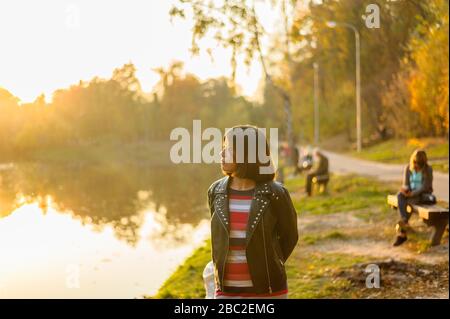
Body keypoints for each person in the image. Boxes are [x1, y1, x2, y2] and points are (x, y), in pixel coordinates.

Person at [207, 125, 298, 299]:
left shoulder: (276, 194)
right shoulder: (215, 191)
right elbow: (218, 240)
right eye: (223, 148)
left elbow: (289, 237)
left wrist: (270, 265)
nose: (221, 153)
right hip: (225, 292)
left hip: (269, 292)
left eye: (229, 149)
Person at [393, 149, 434, 247]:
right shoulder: (408, 168)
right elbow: (406, 184)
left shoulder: (428, 169)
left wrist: (412, 194)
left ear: (423, 162)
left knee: (409, 201)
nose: (416, 165)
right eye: (415, 162)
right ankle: (404, 220)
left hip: (423, 194)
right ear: (413, 160)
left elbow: (426, 187)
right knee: (399, 195)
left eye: (419, 163)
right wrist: (405, 190)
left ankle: (402, 234)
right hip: (410, 193)